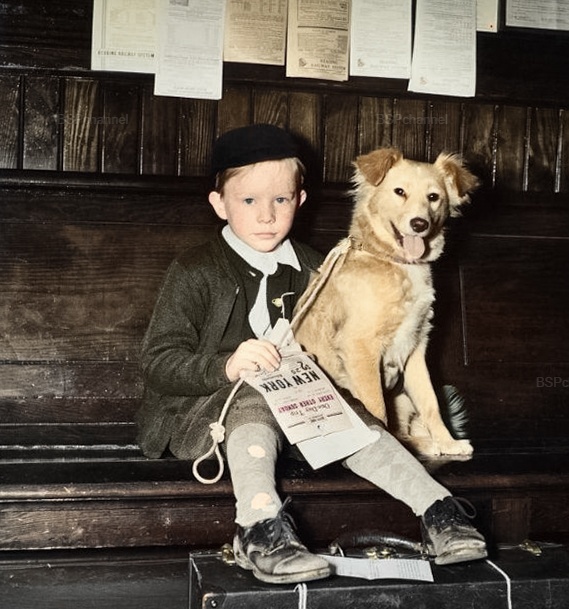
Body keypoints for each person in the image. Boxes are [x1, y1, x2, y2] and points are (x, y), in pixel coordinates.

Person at [137, 123, 487, 584]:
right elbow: (157, 361)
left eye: (280, 200)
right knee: (254, 396)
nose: (266, 215)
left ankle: (440, 511)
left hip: (297, 412)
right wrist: (225, 364)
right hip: (203, 414)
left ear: (299, 202)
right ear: (219, 204)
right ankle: (259, 529)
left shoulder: (315, 266)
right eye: (248, 201)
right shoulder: (195, 269)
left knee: (346, 407)